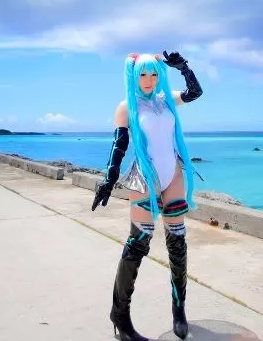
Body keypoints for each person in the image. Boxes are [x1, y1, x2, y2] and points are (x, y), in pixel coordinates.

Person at [91, 50, 204, 341]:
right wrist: (108, 181)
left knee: (177, 242)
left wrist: (183, 67)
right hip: (145, 178)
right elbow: (118, 147)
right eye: (143, 74)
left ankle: (179, 310)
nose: (149, 79)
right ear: (133, 75)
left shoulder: (166, 100)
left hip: (173, 175)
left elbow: (195, 92)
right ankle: (120, 316)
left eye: (154, 73)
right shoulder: (126, 107)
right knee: (138, 244)